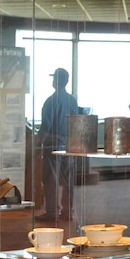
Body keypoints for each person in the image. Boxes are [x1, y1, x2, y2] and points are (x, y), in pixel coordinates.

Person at [35, 67, 81, 220]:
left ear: (55, 81)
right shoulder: (72, 100)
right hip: (69, 144)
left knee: (51, 179)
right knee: (68, 179)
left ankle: (52, 212)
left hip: (53, 144)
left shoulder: (50, 101)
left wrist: (36, 145)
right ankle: (68, 211)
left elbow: (45, 127)